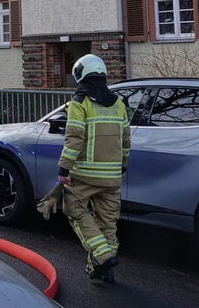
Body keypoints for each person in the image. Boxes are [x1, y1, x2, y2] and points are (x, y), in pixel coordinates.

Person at [57, 54, 130, 284]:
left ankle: (101, 255)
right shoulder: (118, 104)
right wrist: (123, 166)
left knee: (74, 210)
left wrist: (63, 168)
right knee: (108, 223)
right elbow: (126, 141)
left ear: (82, 74)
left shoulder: (80, 102)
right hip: (112, 177)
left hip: (85, 175)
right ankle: (102, 270)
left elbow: (75, 138)